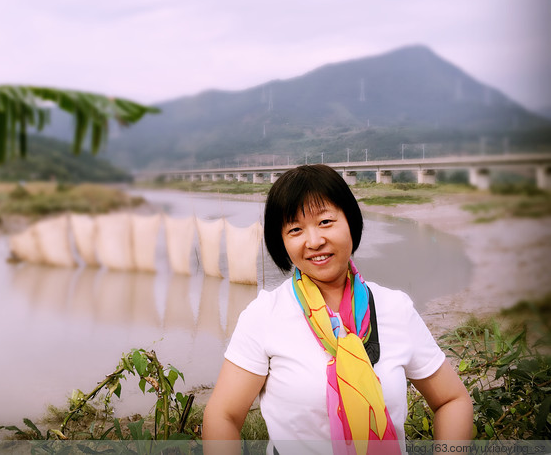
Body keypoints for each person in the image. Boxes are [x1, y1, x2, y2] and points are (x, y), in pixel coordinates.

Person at [203, 165, 473, 454]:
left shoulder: (394, 308)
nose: (314, 241)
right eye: (295, 229)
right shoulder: (265, 315)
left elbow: (452, 401)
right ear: (281, 241)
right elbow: (223, 416)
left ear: (350, 221)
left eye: (326, 221)